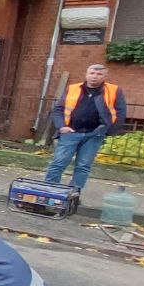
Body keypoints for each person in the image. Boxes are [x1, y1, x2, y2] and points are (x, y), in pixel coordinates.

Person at [44, 63, 126, 191]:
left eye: (99, 74)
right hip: (70, 132)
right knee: (58, 163)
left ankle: (73, 195)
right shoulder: (73, 88)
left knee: (83, 166)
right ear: (86, 75)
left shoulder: (114, 91)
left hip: (94, 134)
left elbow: (121, 113)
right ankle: (48, 191)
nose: (95, 77)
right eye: (92, 73)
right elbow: (58, 109)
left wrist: (107, 131)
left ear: (105, 76)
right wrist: (62, 127)